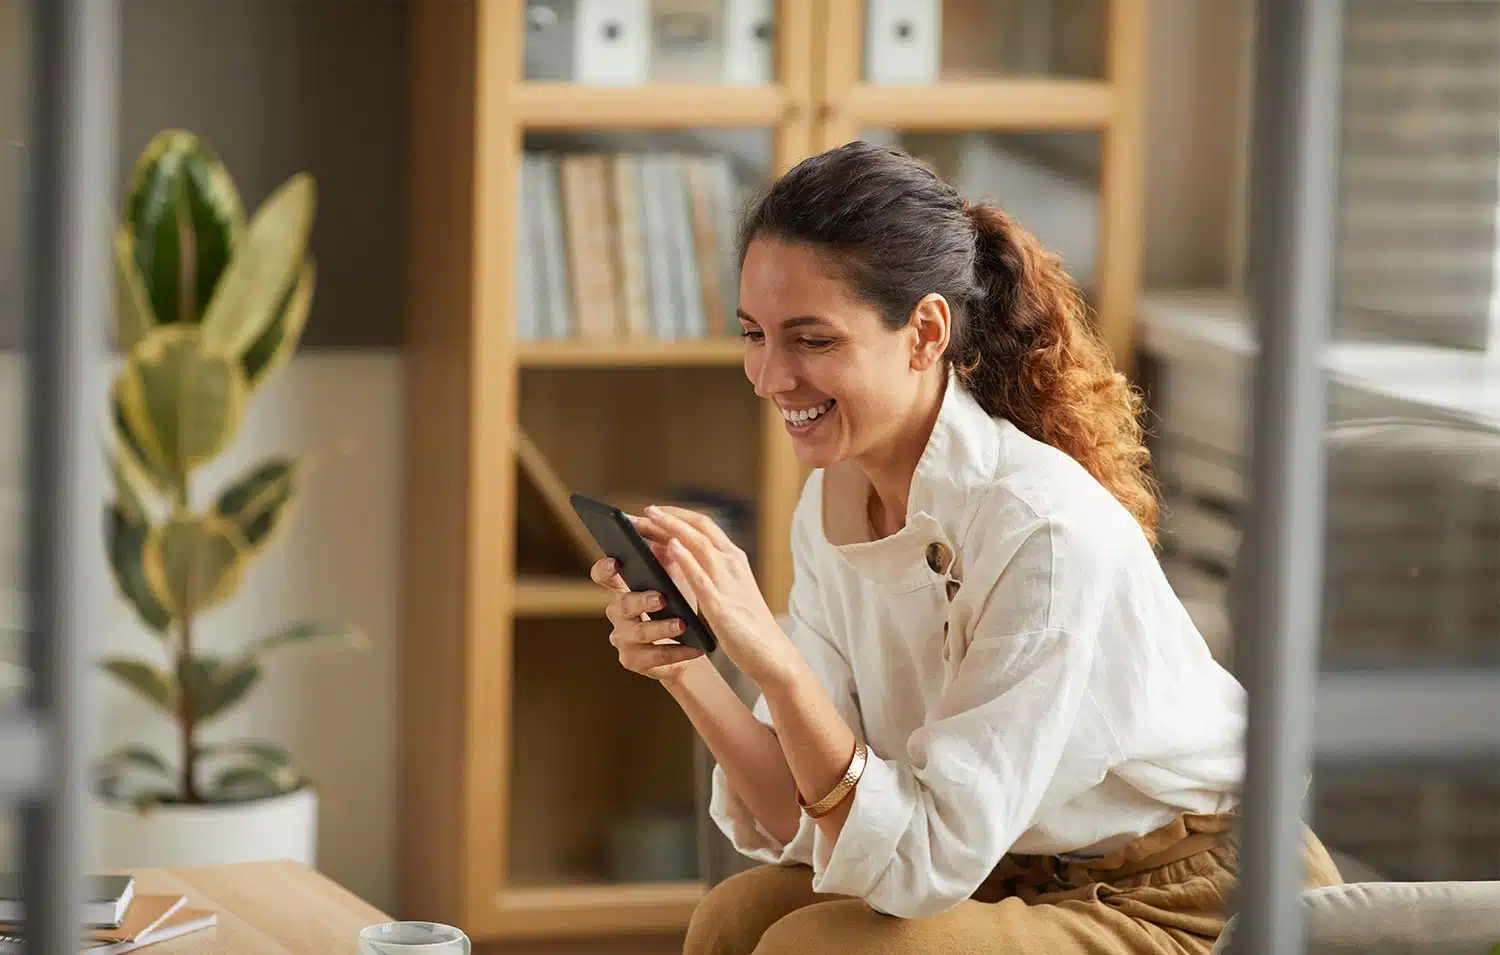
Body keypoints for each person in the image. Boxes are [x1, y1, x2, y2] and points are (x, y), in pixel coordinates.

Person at [588, 140, 1341, 955]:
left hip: (1191, 894)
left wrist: (772, 656)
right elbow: (794, 808)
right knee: (732, 920)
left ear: (924, 333)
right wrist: (687, 664)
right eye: (753, 334)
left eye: (811, 341)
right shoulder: (833, 503)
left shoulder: (1040, 530)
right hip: (1009, 864)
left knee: (819, 948)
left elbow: (923, 859)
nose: (770, 376)